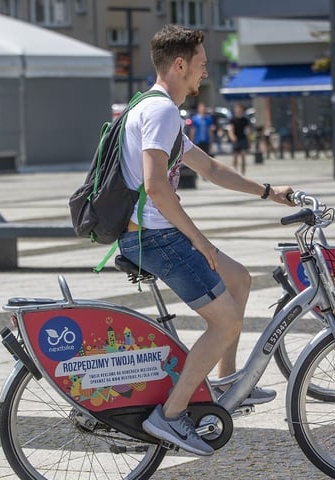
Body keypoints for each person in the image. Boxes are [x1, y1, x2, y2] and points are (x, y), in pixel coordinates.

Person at [117, 24, 294, 456]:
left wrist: (269, 193)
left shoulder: (154, 108)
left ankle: (228, 383)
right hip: (154, 237)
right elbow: (158, 187)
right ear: (179, 64)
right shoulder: (160, 112)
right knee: (227, 321)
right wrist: (203, 243)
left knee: (240, 281)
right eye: (200, 64)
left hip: (155, 232)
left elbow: (212, 169)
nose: (205, 73)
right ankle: (170, 416)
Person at [228, 103, 250, 174]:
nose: (238, 110)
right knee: (235, 157)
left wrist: (249, 140)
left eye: (240, 109)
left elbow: (247, 130)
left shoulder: (245, 120)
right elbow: (230, 130)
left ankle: (243, 173)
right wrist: (232, 137)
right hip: (236, 139)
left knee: (243, 156)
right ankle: (235, 172)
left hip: (243, 139)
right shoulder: (232, 120)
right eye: (237, 109)